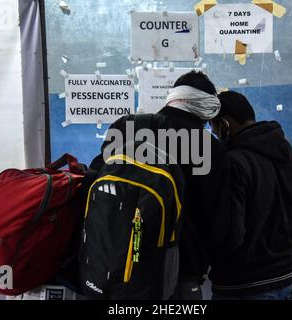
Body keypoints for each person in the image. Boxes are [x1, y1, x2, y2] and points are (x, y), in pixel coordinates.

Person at [90, 71, 229, 299]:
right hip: (180, 272)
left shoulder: (125, 128)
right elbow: (218, 223)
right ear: (206, 108)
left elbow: (95, 186)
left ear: (171, 98)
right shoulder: (211, 148)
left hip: (115, 267)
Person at [208, 91, 292, 300]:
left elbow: (231, 234)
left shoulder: (233, 164)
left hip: (241, 285)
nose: (214, 133)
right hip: (284, 280)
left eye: (213, 126)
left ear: (224, 124)